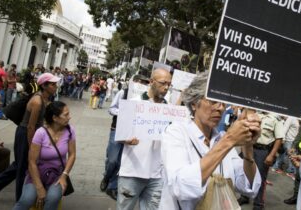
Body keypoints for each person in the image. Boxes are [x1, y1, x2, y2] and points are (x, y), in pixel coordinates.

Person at [159, 72, 261, 209]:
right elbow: (181, 187)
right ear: (194, 103)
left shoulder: (220, 138)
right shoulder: (176, 133)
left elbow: (247, 185)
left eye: (223, 102)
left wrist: (248, 147)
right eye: (213, 101)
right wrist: (229, 140)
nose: (220, 108)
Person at [0, 73, 59, 201]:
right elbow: (31, 126)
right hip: (25, 134)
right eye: (53, 84)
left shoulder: (45, 99)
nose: (56, 87)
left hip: (31, 134)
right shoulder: (37, 101)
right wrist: (33, 145)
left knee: (20, 164)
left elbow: (40, 122)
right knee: (23, 168)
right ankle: (20, 200)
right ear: (44, 85)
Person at [117, 68, 171, 210]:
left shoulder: (170, 110)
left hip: (157, 176)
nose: (166, 87)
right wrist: (126, 140)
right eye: (163, 83)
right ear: (151, 82)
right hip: (132, 172)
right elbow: (120, 136)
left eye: (169, 84)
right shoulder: (133, 103)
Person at [13, 101, 76, 210]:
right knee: (27, 200)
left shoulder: (70, 130)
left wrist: (64, 175)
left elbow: (72, 155)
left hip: (57, 174)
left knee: (53, 198)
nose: (69, 117)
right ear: (55, 118)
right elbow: (32, 162)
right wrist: (39, 187)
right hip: (37, 173)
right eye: (66, 115)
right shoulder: (41, 132)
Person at [238, 112, 284, 210]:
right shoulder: (255, 114)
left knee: (260, 178)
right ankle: (244, 196)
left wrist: (271, 155)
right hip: (250, 147)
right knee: (244, 174)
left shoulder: (275, 118)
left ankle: (258, 204)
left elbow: (279, 139)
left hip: (263, 151)